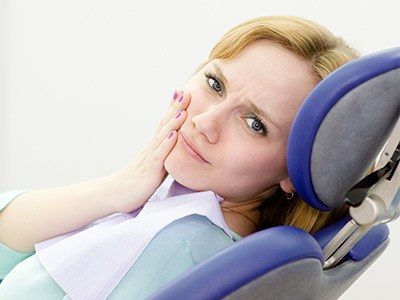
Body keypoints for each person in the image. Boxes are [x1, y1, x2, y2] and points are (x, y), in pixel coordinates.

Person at [0, 15, 372, 299]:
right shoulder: (175, 205)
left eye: (255, 124)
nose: (205, 122)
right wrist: (120, 187)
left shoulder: (184, 244)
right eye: (215, 84)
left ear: (294, 171)